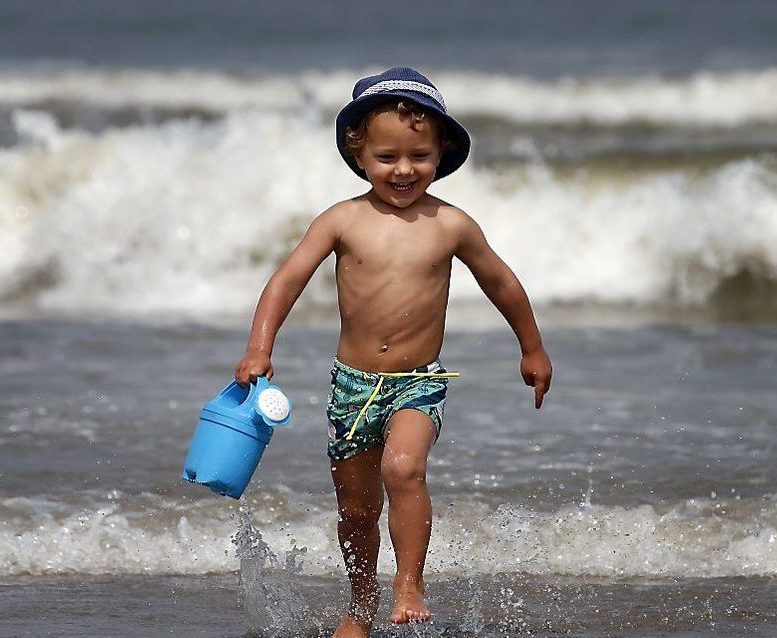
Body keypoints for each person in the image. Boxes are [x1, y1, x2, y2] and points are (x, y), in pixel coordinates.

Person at [234, 67, 552, 637]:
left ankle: (410, 583)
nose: (404, 169)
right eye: (387, 157)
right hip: (352, 386)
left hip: (418, 381)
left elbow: (501, 283)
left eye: (419, 155)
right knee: (356, 513)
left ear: (441, 152)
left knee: (404, 468)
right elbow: (286, 280)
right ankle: (361, 604)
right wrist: (260, 348)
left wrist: (532, 347)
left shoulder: (450, 224)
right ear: (360, 155)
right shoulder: (342, 220)